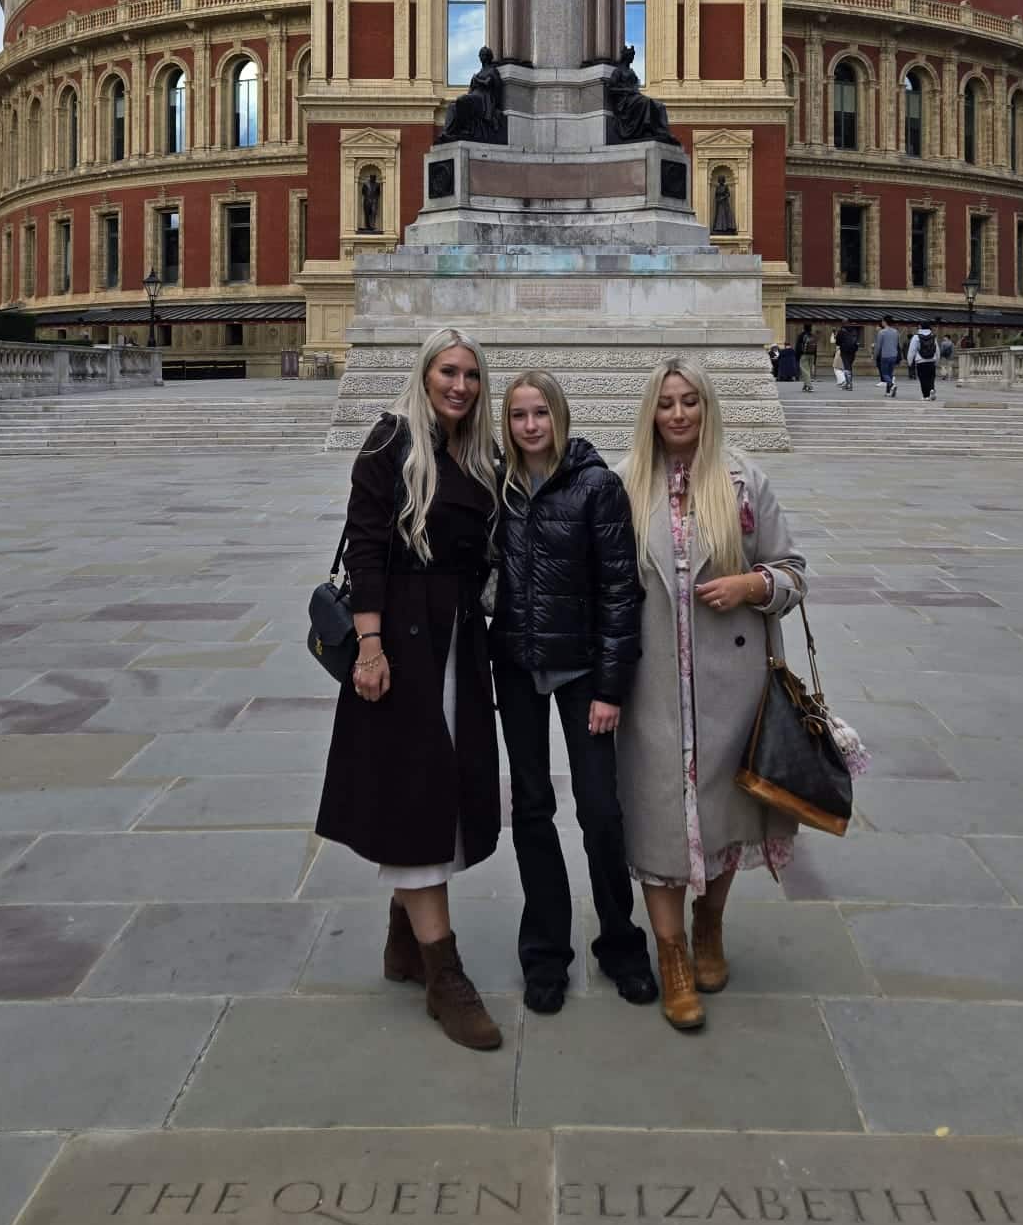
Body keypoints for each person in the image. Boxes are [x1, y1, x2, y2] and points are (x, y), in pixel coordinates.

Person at [315, 327, 504, 1051]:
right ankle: (443, 973)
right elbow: (365, 547)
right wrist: (369, 646)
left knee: (445, 786)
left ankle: (403, 933)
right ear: (424, 375)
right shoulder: (390, 441)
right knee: (419, 791)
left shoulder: (477, 453)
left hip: (459, 638)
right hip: (399, 641)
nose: (460, 385)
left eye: (471, 375)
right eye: (448, 372)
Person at [616, 357, 807, 1030]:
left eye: (690, 401)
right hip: (650, 686)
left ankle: (710, 925)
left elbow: (792, 573)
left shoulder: (743, 480)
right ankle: (670, 952)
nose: (678, 414)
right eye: (666, 403)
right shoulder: (624, 484)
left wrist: (752, 586)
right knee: (657, 816)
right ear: (651, 411)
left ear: (707, 408)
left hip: (731, 684)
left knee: (724, 815)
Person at [489, 370, 658, 1015]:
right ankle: (545, 954)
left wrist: (610, 688)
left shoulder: (598, 485)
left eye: (541, 413)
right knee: (532, 810)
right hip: (517, 667)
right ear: (506, 424)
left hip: (583, 673)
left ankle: (621, 944)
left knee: (600, 811)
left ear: (560, 416)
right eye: (518, 415)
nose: (530, 426)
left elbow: (620, 592)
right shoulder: (497, 486)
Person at [907, 322, 940, 400]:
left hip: (921, 361)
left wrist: (909, 361)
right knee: (931, 378)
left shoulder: (916, 337)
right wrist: (937, 360)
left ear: (920, 327)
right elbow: (937, 350)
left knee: (923, 378)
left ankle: (926, 396)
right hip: (931, 360)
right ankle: (932, 389)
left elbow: (912, 350)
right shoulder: (932, 336)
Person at [873, 317, 901, 398]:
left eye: (882, 321)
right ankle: (888, 392)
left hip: (885, 355)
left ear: (885, 322)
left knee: (884, 373)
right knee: (890, 374)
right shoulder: (896, 332)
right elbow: (897, 344)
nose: (882, 322)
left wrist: (875, 356)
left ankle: (892, 385)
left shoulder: (882, 332)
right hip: (894, 355)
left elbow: (878, 346)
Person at [835, 323, 860, 389]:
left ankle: (849, 384)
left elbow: (837, 342)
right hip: (853, 351)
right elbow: (857, 341)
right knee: (849, 366)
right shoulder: (854, 331)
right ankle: (849, 382)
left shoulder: (841, 331)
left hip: (844, 351)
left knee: (846, 366)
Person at [796, 323, 818, 391]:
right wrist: (815, 357)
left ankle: (809, 386)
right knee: (808, 371)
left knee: (805, 371)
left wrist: (797, 356)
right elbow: (815, 347)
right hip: (812, 355)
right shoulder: (813, 336)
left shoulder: (801, 335)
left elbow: (798, 346)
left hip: (804, 355)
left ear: (804, 328)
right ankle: (805, 386)